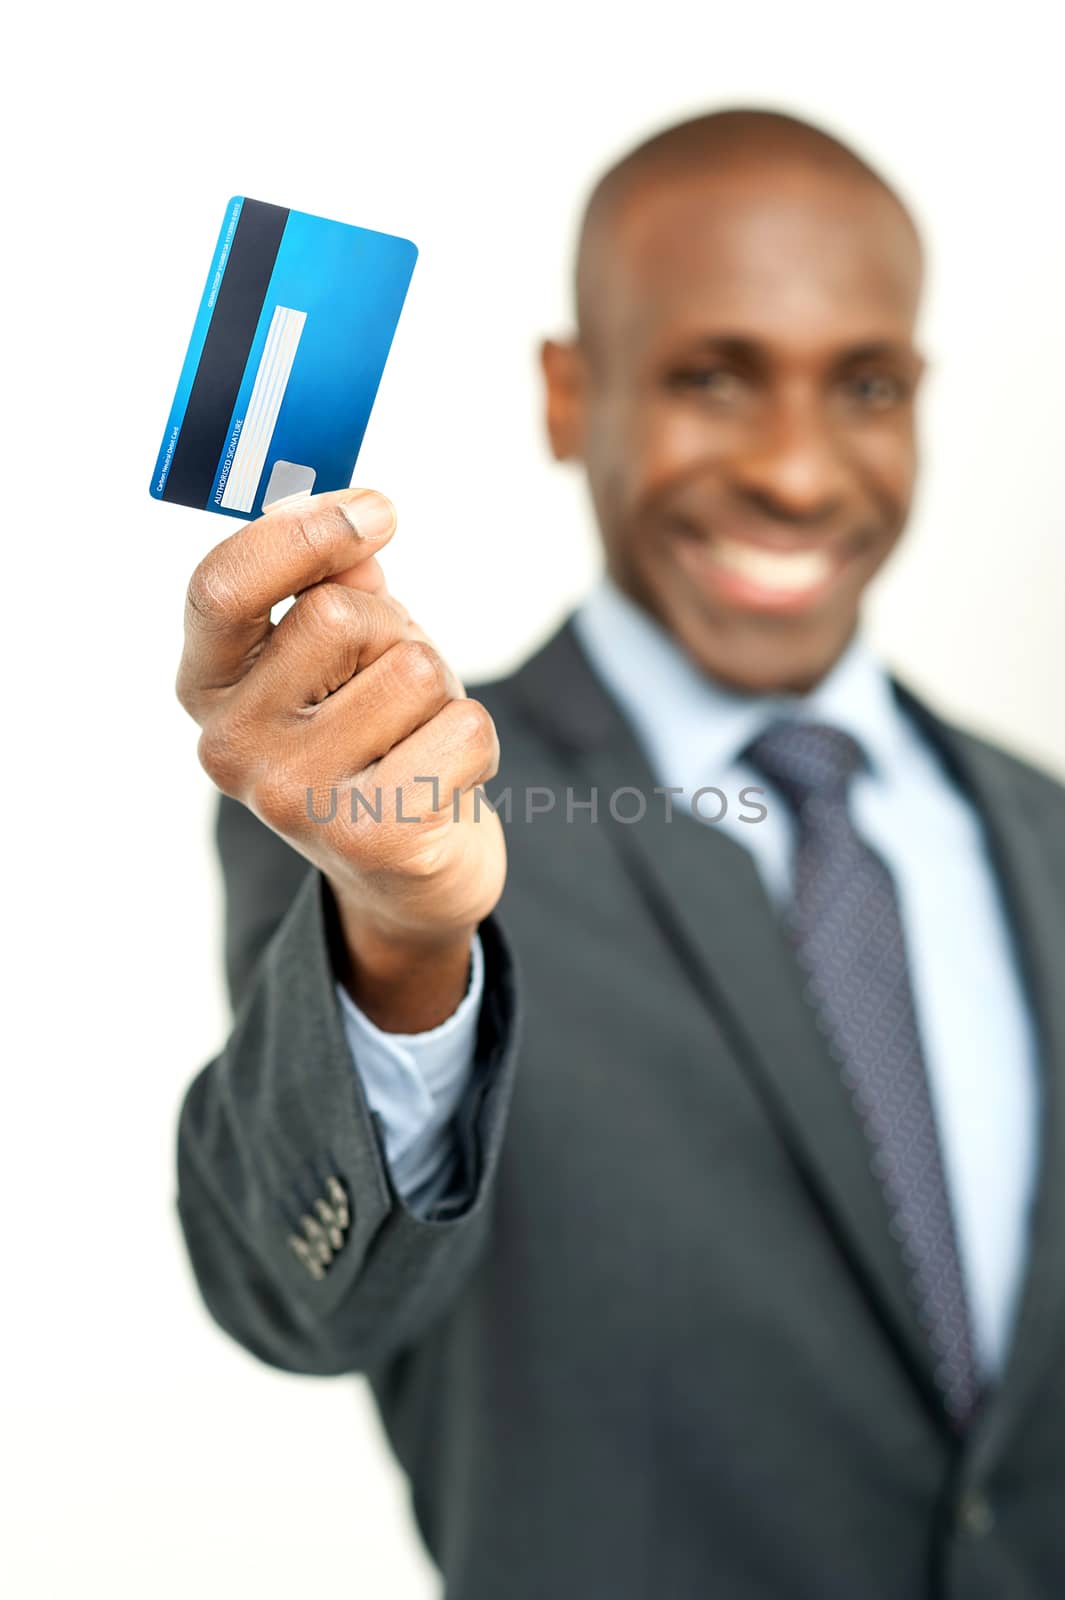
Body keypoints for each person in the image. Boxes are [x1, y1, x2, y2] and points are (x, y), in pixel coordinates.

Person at [173, 109, 1065, 1598]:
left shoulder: (1041, 834)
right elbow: (291, 1292)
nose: (795, 471)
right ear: (569, 395)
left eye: (862, 384)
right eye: (712, 376)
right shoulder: (386, 811)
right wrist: (400, 942)